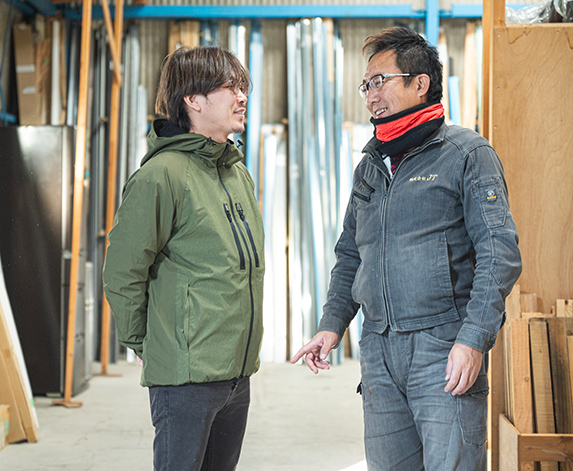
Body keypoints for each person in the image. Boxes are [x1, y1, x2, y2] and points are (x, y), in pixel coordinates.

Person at [291, 27, 521, 471]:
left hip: (443, 347)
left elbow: (499, 253)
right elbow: (351, 254)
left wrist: (473, 340)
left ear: (420, 83)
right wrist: (332, 325)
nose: (371, 96)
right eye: (366, 85)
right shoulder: (370, 166)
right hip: (379, 351)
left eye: (380, 81)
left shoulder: (466, 154)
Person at [102, 46, 264, 471]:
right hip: (185, 377)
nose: (242, 97)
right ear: (193, 99)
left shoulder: (236, 173)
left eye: (243, 87)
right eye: (231, 87)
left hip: (236, 373)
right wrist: (147, 344)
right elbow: (122, 271)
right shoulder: (161, 175)